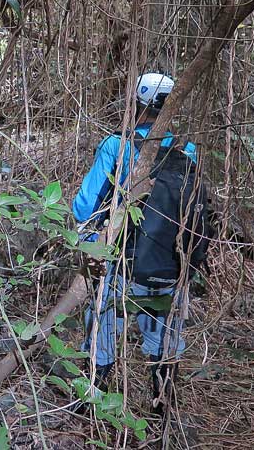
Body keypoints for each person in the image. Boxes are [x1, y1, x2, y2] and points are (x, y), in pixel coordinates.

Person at [72, 72, 204, 415]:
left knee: (103, 325)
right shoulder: (186, 150)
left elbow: (85, 207)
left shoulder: (118, 145)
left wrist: (90, 243)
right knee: (164, 340)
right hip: (172, 266)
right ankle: (163, 413)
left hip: (123, 263)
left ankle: (92, 403)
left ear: (138, 103)